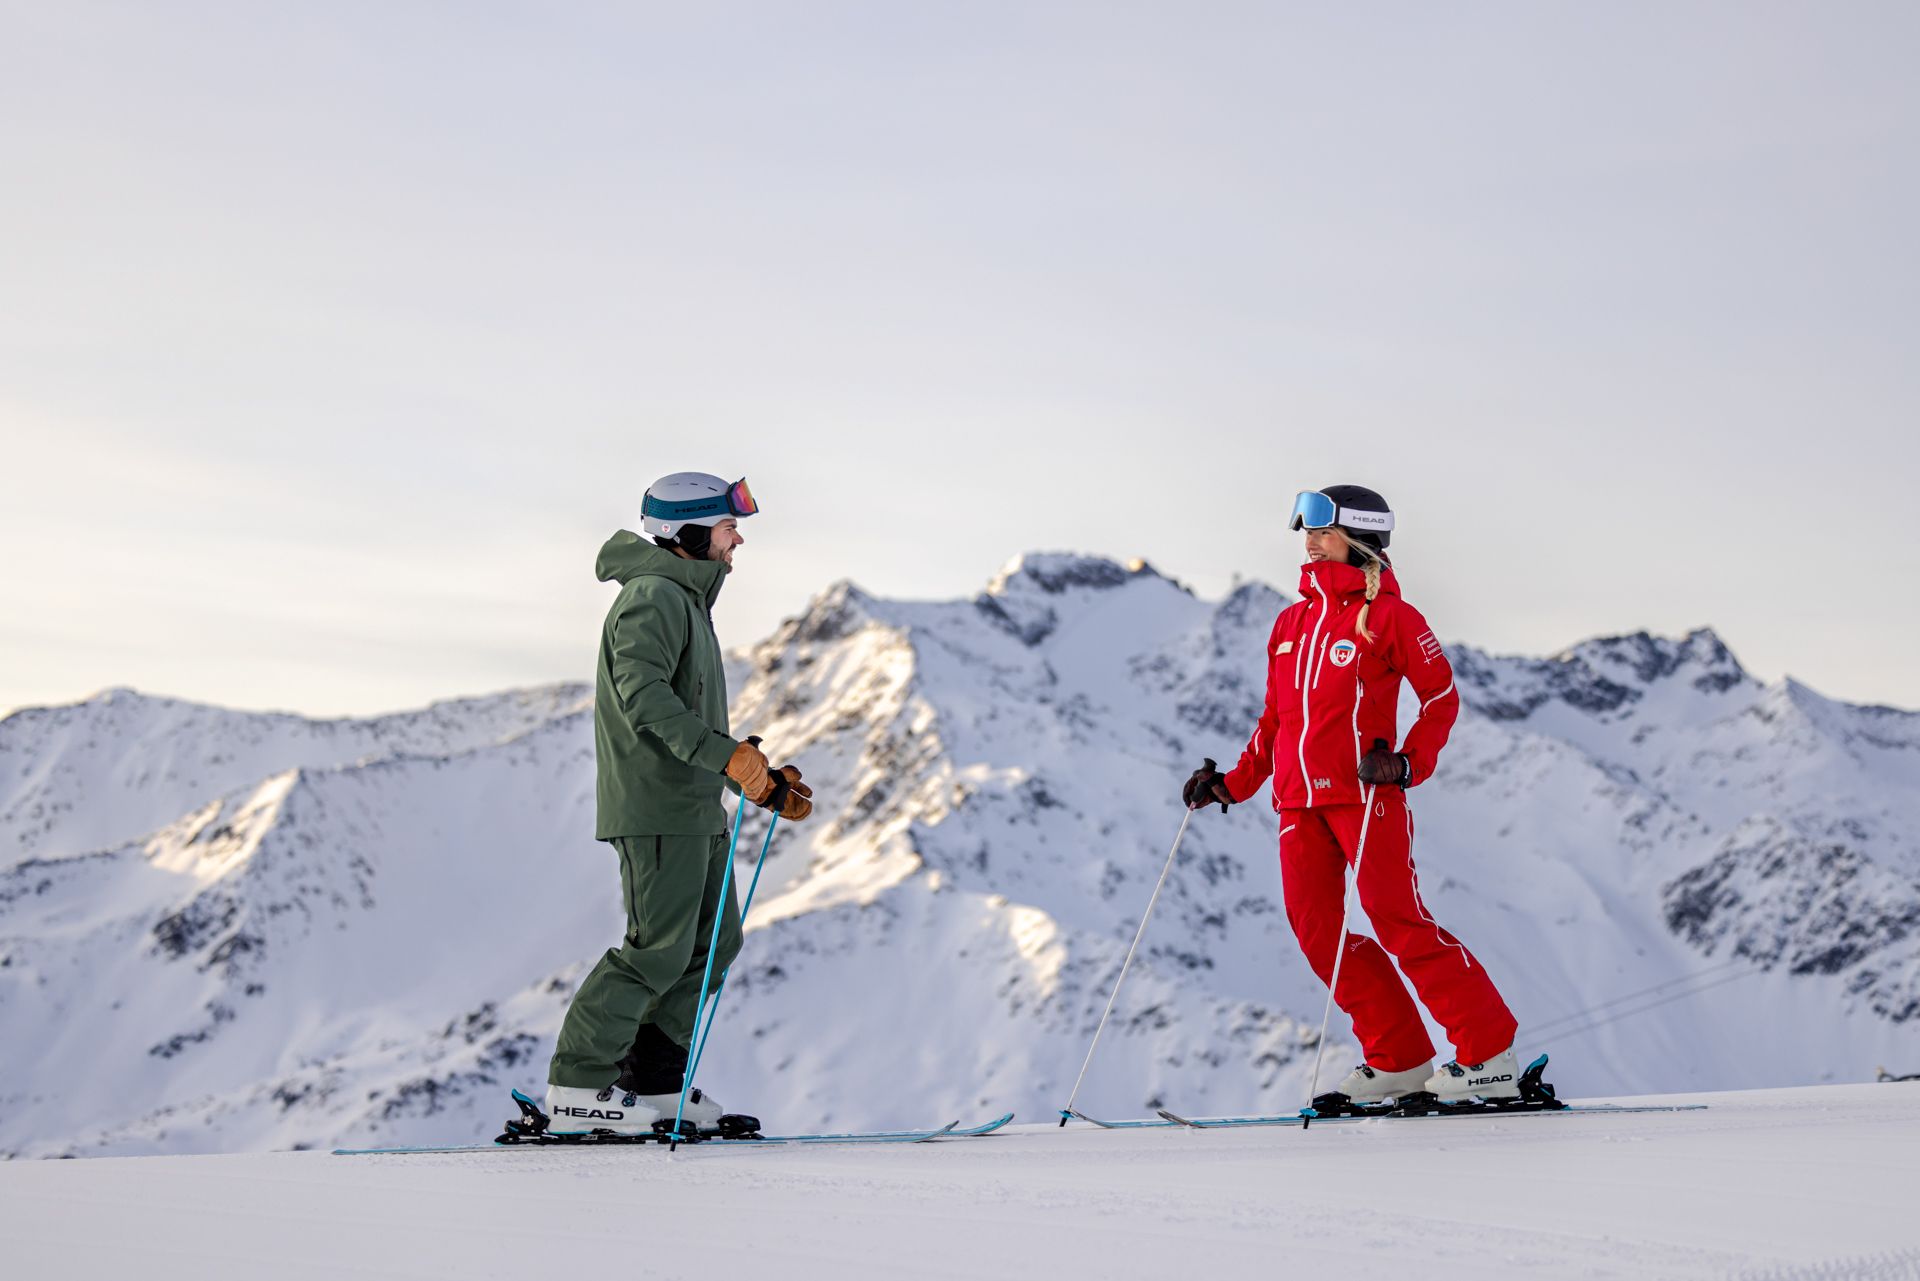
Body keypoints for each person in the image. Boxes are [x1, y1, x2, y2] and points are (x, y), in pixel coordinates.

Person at [1183, 485, 1520, 1104]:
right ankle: (1400, 1059)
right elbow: (1275, 721)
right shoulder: (1290, 623)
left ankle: (1490, 1054)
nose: (1307, 539)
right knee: (1319, 934)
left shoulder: (1394, 618)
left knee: (1398, 921)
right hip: (1298, 803)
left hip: (1367, 797)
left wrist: (1407, 762)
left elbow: (1441, 700)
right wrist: (1232, 783)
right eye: (1304, 528)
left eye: (1321, 527)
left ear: (1359, 534)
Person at [545, 472, 815, 1136]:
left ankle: (657, 1083)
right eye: (728, 526)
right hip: (655, 808)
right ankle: (578, 1086)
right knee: (657, 950)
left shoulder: (687, 602)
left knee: (712, 944)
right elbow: (646, 698)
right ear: (690, 534)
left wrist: (754, 779)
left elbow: (687, 714)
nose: (737, 537)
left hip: (695, 808)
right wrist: (727, 758)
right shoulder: (654, 599)